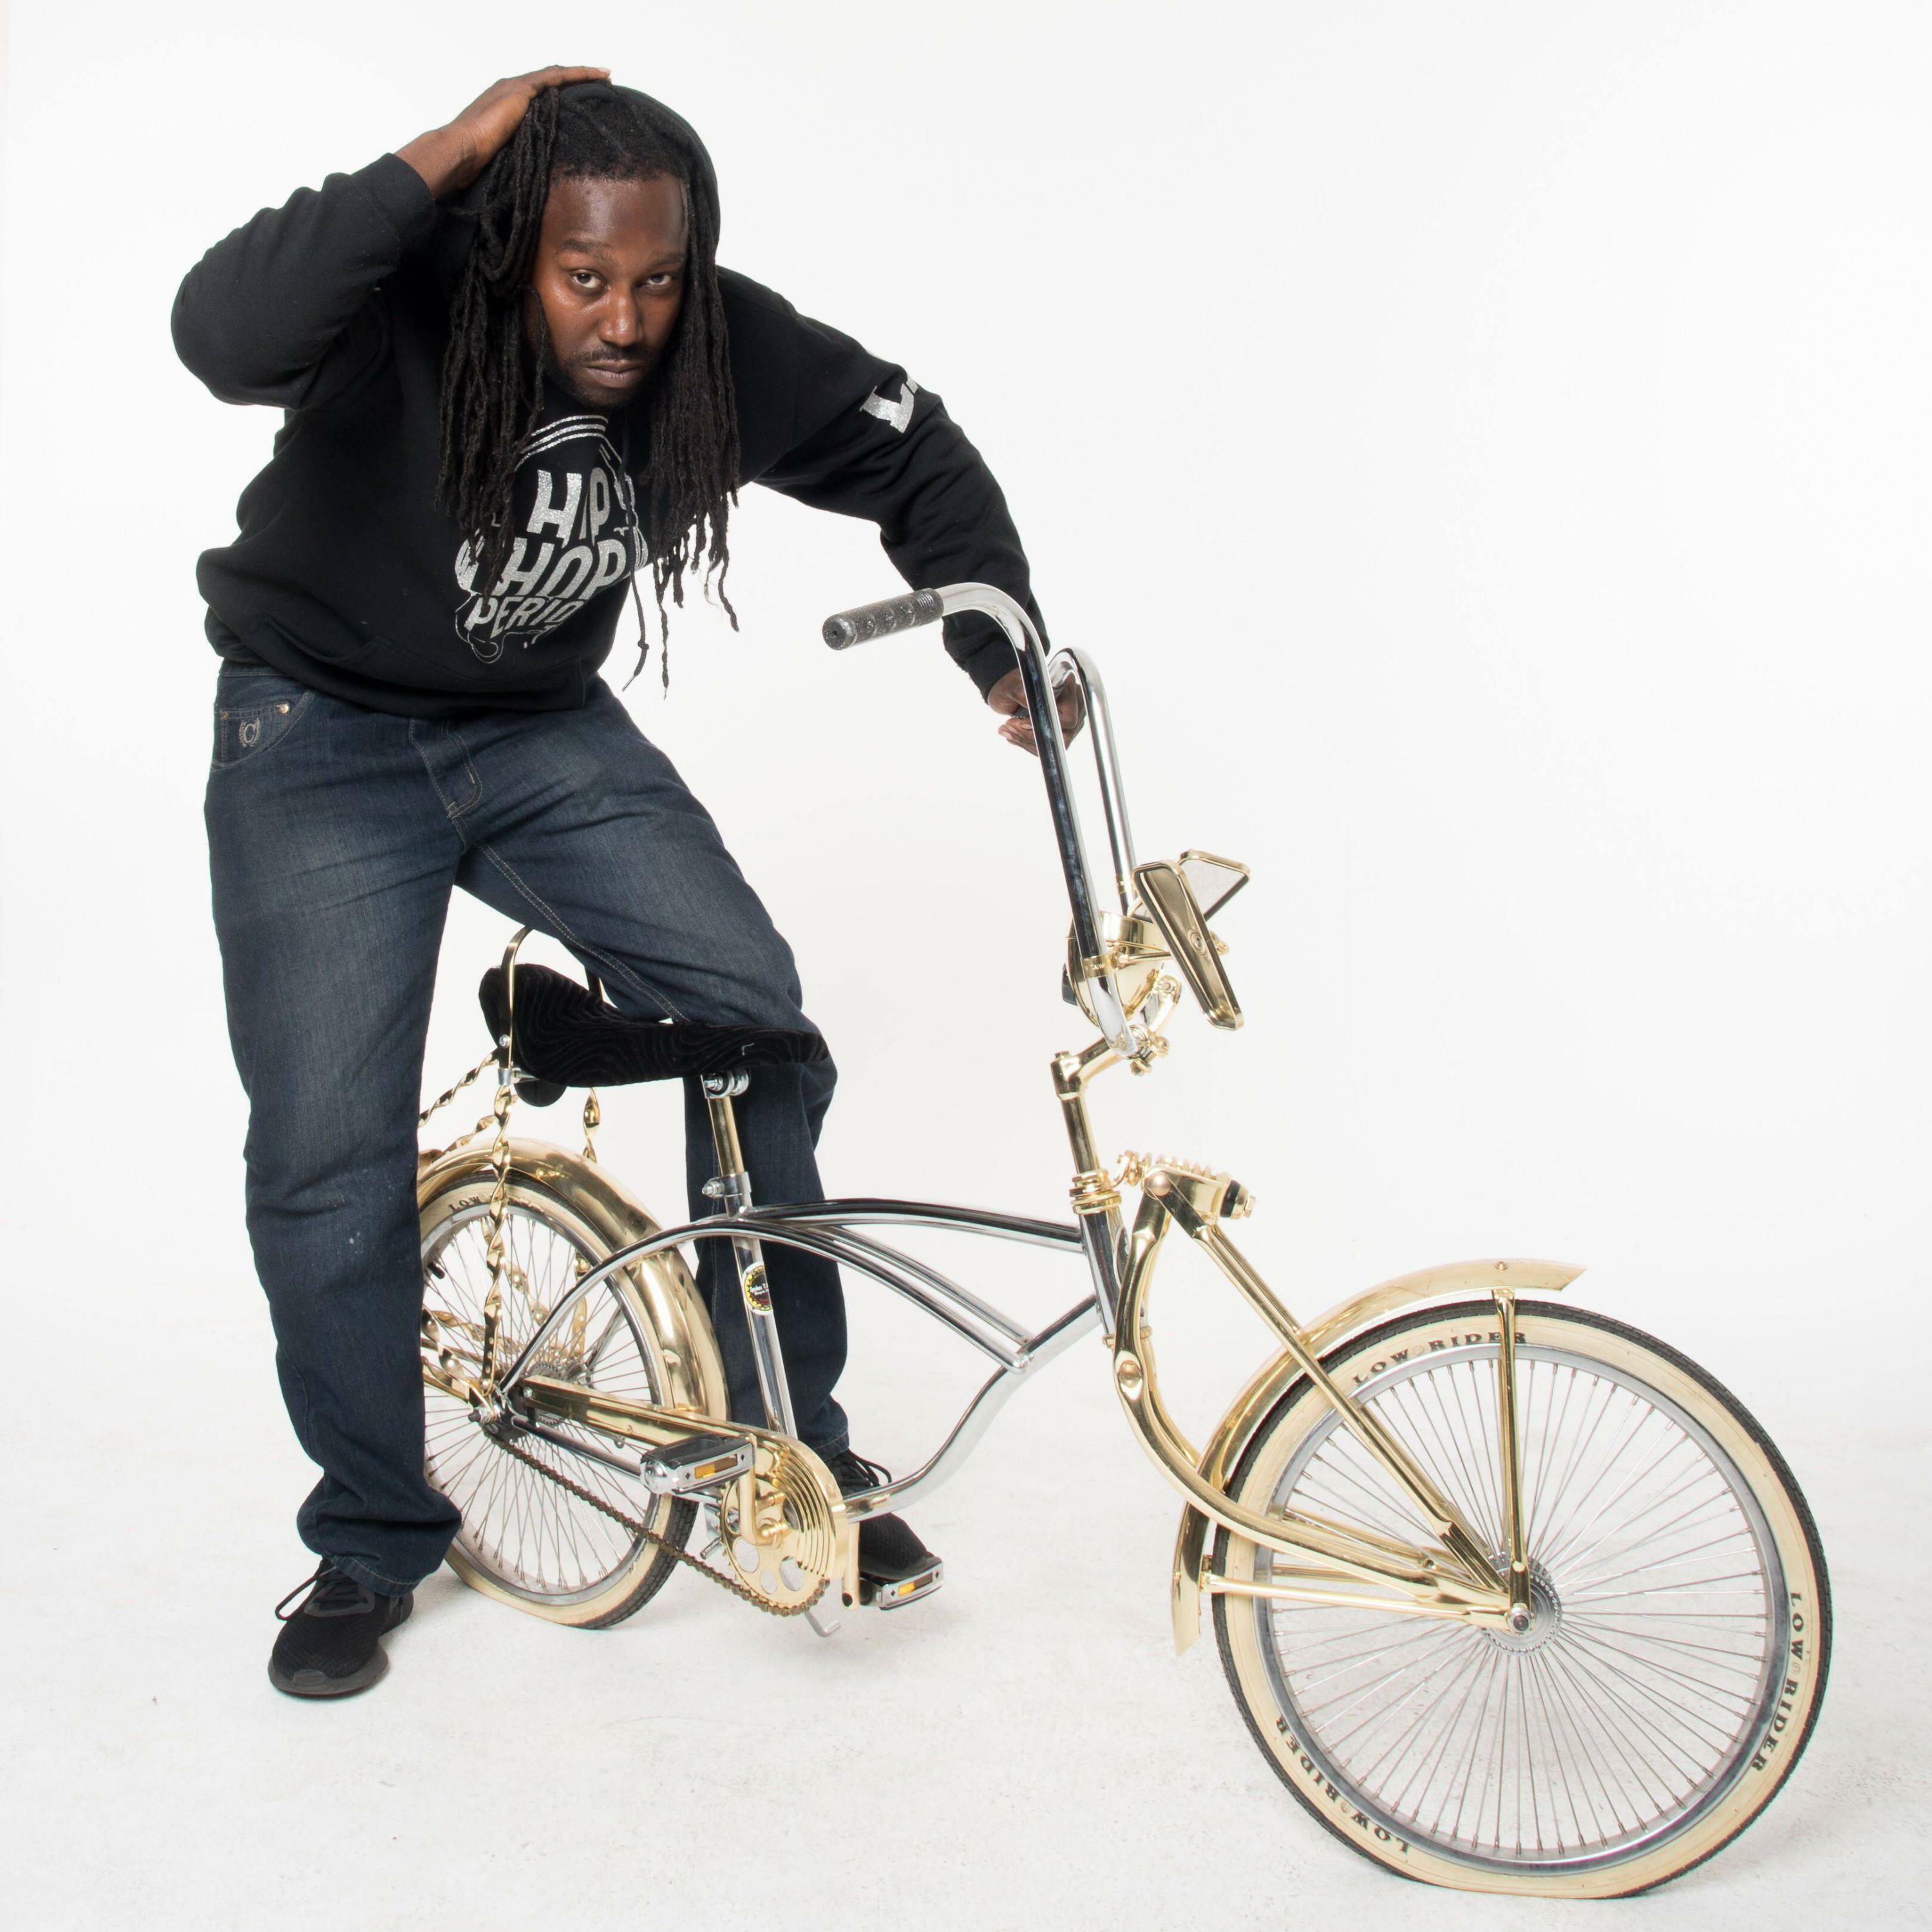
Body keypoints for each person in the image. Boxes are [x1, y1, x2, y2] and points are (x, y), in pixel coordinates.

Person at [173, 68, 1083, 1699]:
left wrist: (992, 637)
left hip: (537, 730)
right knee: (326, 1158)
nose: (625, 319)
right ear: (515, 246)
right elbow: (218, 334)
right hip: (317, 733)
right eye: (585, 277)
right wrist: (447, 152)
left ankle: (790, 1457)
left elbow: (913, 447)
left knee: (755, 1020)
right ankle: (371, 1537)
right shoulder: (404, 288)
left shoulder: (718, 342)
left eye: (657, 278)